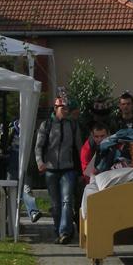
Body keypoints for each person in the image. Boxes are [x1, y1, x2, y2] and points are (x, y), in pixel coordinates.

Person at [34, 97, 83, 244]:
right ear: (55, 109)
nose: (66, 111)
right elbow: (39, 146)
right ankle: (58, 230)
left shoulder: (72, 125)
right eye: (63, 108)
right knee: (55, 205)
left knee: (67, 201)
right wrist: (40, 162)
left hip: (68, 169)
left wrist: (82, 169)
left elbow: (79, 148)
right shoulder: (46, 125)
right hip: (51, 169)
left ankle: (64, 232)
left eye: (67, 108)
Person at [6, 117, 42, 223]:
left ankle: (33, 211)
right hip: (12, 166)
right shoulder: (11, 129)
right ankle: (11, 220)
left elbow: (37, 148)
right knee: (11, 192)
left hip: (26, 166)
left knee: (26, 190)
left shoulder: (34, 132)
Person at [80, 119, 110, 185]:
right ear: (92, 136)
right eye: (96, 137)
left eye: (102, 136)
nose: (100, 139)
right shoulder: (86, 149)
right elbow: (86, 173)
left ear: (108, 135)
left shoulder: (115, 144)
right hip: (94, 181)